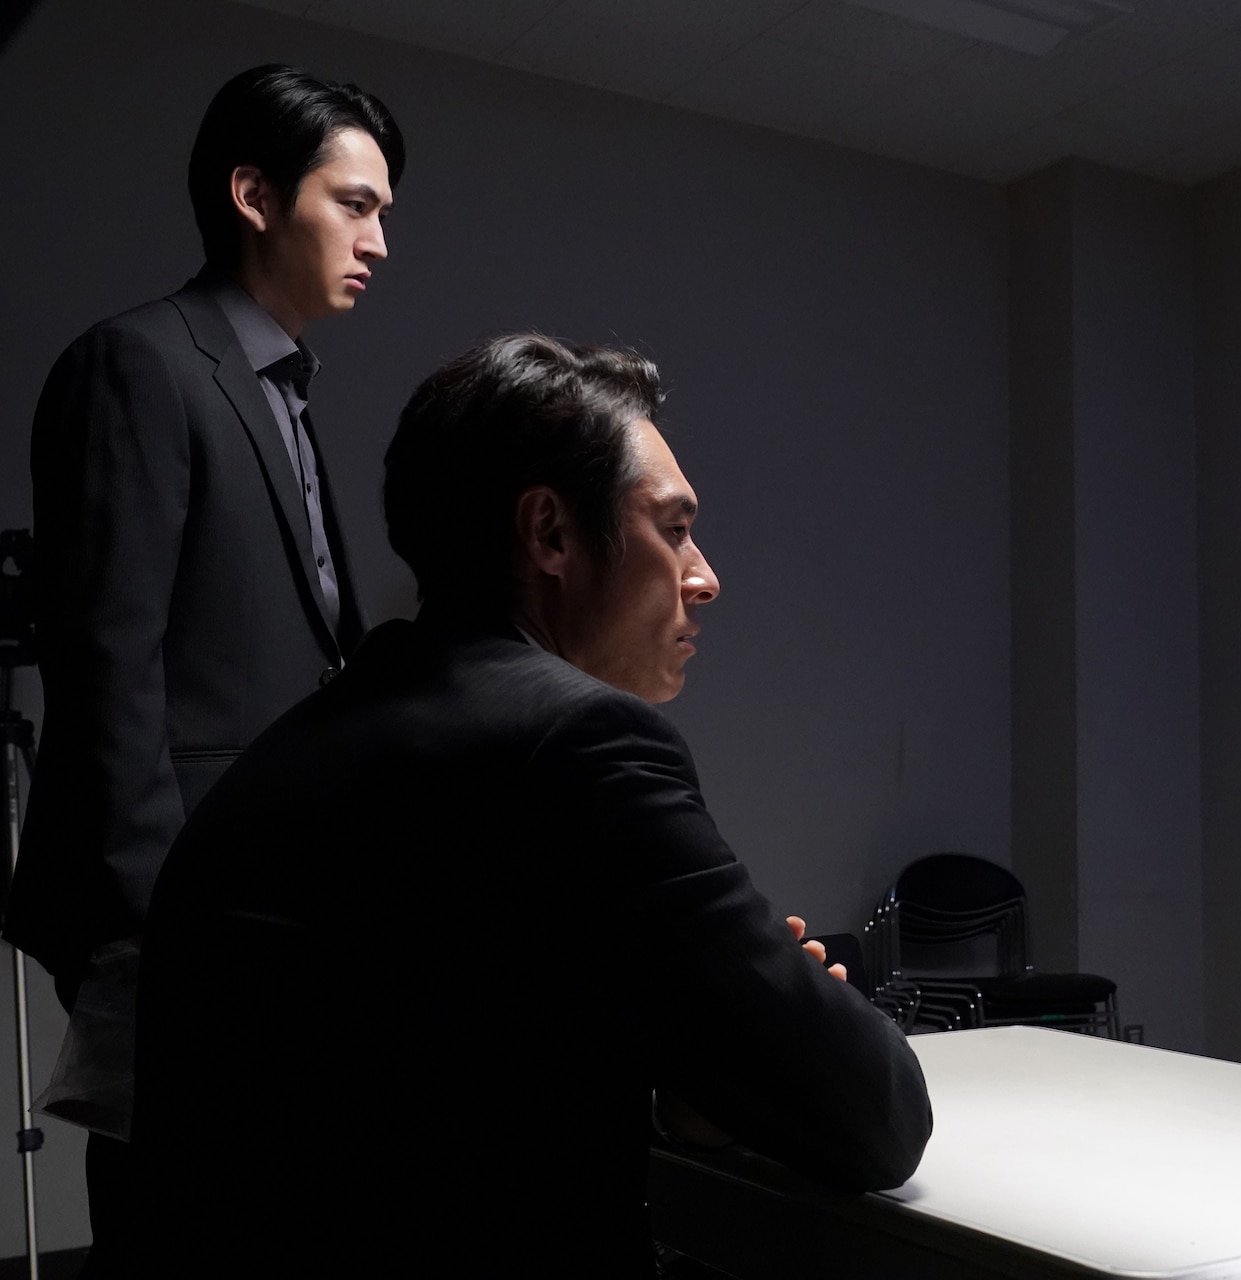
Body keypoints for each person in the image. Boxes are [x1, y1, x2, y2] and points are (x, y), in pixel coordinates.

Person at [132, 334, 934, 1276]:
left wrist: (696, 1074)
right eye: (674, 529)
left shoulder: (310, 740)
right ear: (550, 533)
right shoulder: (580, 743)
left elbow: (445, 1072)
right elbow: (877, 1118)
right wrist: (769, 1028)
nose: (705, 575)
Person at [5, 64, 402, 1274]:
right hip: (177, 914)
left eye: (384, 212)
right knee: (178, 1223)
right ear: (253, 195)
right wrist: (155, 928)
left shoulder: (282, 393)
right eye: (355, 204)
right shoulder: (140, 363)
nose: (380, 242)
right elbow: (107, 660)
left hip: (275, 907)